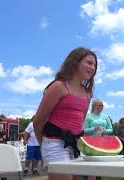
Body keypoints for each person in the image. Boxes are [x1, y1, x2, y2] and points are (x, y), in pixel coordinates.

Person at [33, 47, 97, 180]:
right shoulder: (58, 86)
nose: (93, 68)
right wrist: (44, 144)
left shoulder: (87, 93)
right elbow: (38, 121)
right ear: (75, 62)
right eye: (89, 63)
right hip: (55, 144)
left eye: (95, 65)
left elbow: (80, 123)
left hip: (76, 145)